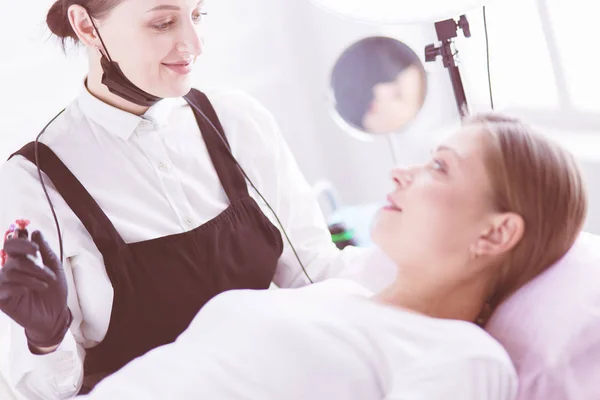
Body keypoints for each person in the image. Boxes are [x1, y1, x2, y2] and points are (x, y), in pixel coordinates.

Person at [0, 1, 371, 398]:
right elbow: (45, 392)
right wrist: (46, 339)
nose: (194, 43)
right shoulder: (36, 180)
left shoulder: (237, 121)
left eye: (197, 15)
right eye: (163, 23)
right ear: (87, 28)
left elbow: (316, 276)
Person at [76, 113, 588, 400]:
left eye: (439, 167)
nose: (399, 174)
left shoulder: (461, 357)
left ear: (496, 233)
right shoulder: (341, 293)